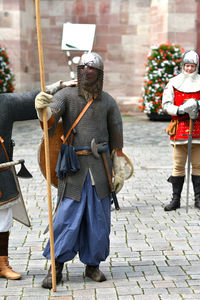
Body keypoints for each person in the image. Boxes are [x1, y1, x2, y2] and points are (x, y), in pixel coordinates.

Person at [35, 52, 125, 289]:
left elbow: (116, 135)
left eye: (92, 70)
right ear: (78, 71)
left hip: (100, 167)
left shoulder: (107, 101)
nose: (88, 73)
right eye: (84, 68)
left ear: (100, 74)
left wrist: (118, 165)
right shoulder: (66, 96)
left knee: (98, 221)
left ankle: (92, 265)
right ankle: (56, 266)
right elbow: (50, 120)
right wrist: (42, 110)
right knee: (66, 218)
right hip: (73, 168)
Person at [0, 79, 76, 280]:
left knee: (2, 221)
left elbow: (32, 98)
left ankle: (2, 263)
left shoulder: (4, 103)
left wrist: (59, 85)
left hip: (1, 172)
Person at [162, 50, 200, 211]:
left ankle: (198, 199)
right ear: (183, 66)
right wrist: (180, 110)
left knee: (198, 165)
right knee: (178, 165)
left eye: (192, 66)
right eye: (187, 65)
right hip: (179, 129)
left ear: (196, 66)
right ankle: (176, 199)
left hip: (198, 129)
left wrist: (197, 106)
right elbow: (166, 104)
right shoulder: (173, 83)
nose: (189, 69)